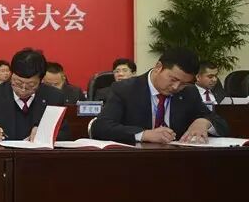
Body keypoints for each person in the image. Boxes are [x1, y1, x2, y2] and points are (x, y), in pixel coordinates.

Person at [91, 48, 229, 145]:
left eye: (183, 83)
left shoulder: (188, 92)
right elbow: (101, 127)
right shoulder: (125, 89)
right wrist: (144, 134)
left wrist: (204, 122)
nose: (176, 87)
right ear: (158, 67)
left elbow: (222, 125)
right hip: (135, 163)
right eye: (173, 79)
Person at [0, 48, 70, 143]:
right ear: (11, 74)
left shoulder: (54, 97)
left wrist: (48, 134)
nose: (23, 89)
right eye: (18, 83)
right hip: (2, 156)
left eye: (31, 85)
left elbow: (65, 134)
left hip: (39, 157)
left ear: (41, 80)